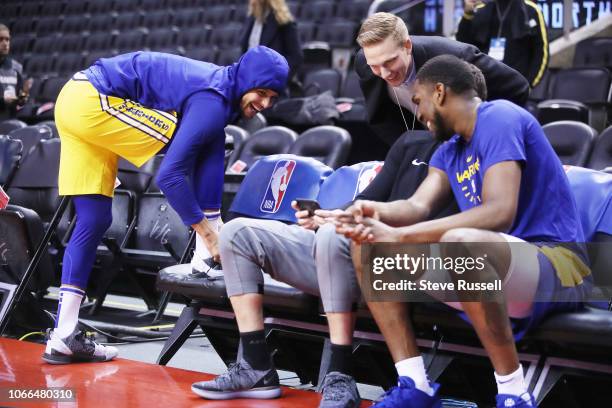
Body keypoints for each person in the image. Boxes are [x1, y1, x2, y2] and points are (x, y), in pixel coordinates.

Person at [335, 55, 592, 407]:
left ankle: (514, 393)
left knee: (461, 242)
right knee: (369, 247)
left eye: (418, 101)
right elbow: (416, 207)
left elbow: (500, 212)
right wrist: (371, 212)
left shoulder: (499, 116)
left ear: (439, 92)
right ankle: (415, 385)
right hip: (493, 267)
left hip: (560, 265)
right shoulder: (448, 150)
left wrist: (404, 236)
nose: (418, 113)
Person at [43, 46, 289, 364]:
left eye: (273, 97)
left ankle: (63, 335)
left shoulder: (220, 91)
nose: (265, 104)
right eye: (261, 92)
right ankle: (207, 246)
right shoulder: (213, 97)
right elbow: (169, 177)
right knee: (200, 139)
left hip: (72, 101)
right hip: (95, 99)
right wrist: (210, 233)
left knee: (94, 221)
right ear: (246, 81)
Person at [354, 12, 529, 147]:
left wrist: (479, 133)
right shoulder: (363, 63)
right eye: (375, 65)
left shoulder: (454, 56)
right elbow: (380, 116)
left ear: (407, 46)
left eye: (390, 61)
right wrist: (410, 146)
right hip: (426, 142)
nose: (384, 73)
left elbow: (517, 87)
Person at [456, 0, 548, 88]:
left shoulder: (530, 10)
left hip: (516, 86)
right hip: (485, 85)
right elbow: (464, 46)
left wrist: (529, 85)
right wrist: (468, 15)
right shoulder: (481, 9)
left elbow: (541, 53)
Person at [240, 0, 303, 88]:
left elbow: (295, 57)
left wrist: (276, 81)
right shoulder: (251, 19)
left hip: (271, 89)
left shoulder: (283, 20)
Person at [0, 24, 29, 120]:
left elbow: (20, 100)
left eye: (7, 39)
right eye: (1, 39)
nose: (5, 43)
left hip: (10, 121)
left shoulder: (17, 67)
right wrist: (3, 101)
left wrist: (24, 96)